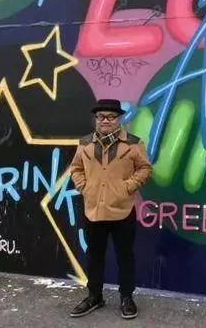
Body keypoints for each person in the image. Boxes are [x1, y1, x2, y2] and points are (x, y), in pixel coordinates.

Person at [68, 99, 152, 319]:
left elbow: (144, 168)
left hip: (122, 210)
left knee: (125, 256)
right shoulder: (85, 144)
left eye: (111, 117)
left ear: (119, 119)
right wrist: (83, 186)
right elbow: (76, 168)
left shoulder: (133, 144)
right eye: (101, 117)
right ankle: (94, 296)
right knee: (94, 256)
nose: (105, 120)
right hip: (93, 210)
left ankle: (127, 297)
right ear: (96, 119)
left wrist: (128, 187)